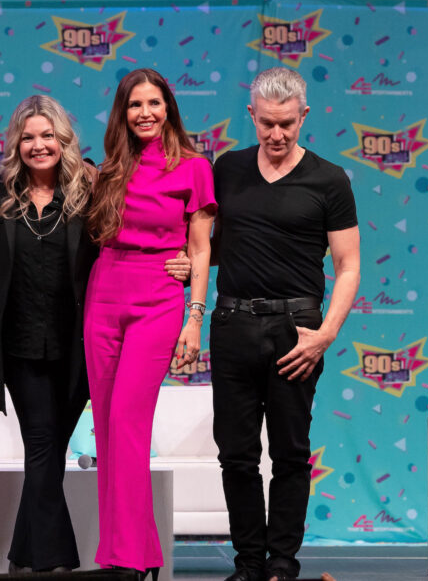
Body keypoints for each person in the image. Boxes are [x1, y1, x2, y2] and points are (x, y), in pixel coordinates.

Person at [210, 68, 359, 581]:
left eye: (287, 125)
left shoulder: (330, 179)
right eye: (267, 124)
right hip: (231, 323)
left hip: (297, 331)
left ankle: (281, 563)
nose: (277, 135)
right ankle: (248, 562)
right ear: (251, 115)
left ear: (304, 117)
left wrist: (326, 333)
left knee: (291, 452)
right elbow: (209, 245)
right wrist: (188, 264)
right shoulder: (225, 169)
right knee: (236, 454)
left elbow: (348, 266)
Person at [84, 69, 217, 580]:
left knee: (129, 425)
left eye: (154, 103)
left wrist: (194, 316)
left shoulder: (194, 167)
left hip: (158, 298)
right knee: (108, 429)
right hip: (104, 294)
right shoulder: (109, 169)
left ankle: (125, 560)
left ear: (169, 108)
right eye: (135, 104)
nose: (145, 113)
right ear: (123, 112)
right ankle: (136, 556)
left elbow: (201, 246)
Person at [0, 95, 94, 573]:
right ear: (15, 144)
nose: (38, 145)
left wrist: (184, 259)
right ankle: (54, 563)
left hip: (77, 347)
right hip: (21, 346)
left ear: (63, 141)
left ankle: (24, 555)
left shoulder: (89, 191)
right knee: (42, 444)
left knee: (47, 451)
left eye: (48, 136)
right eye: (28, 137)